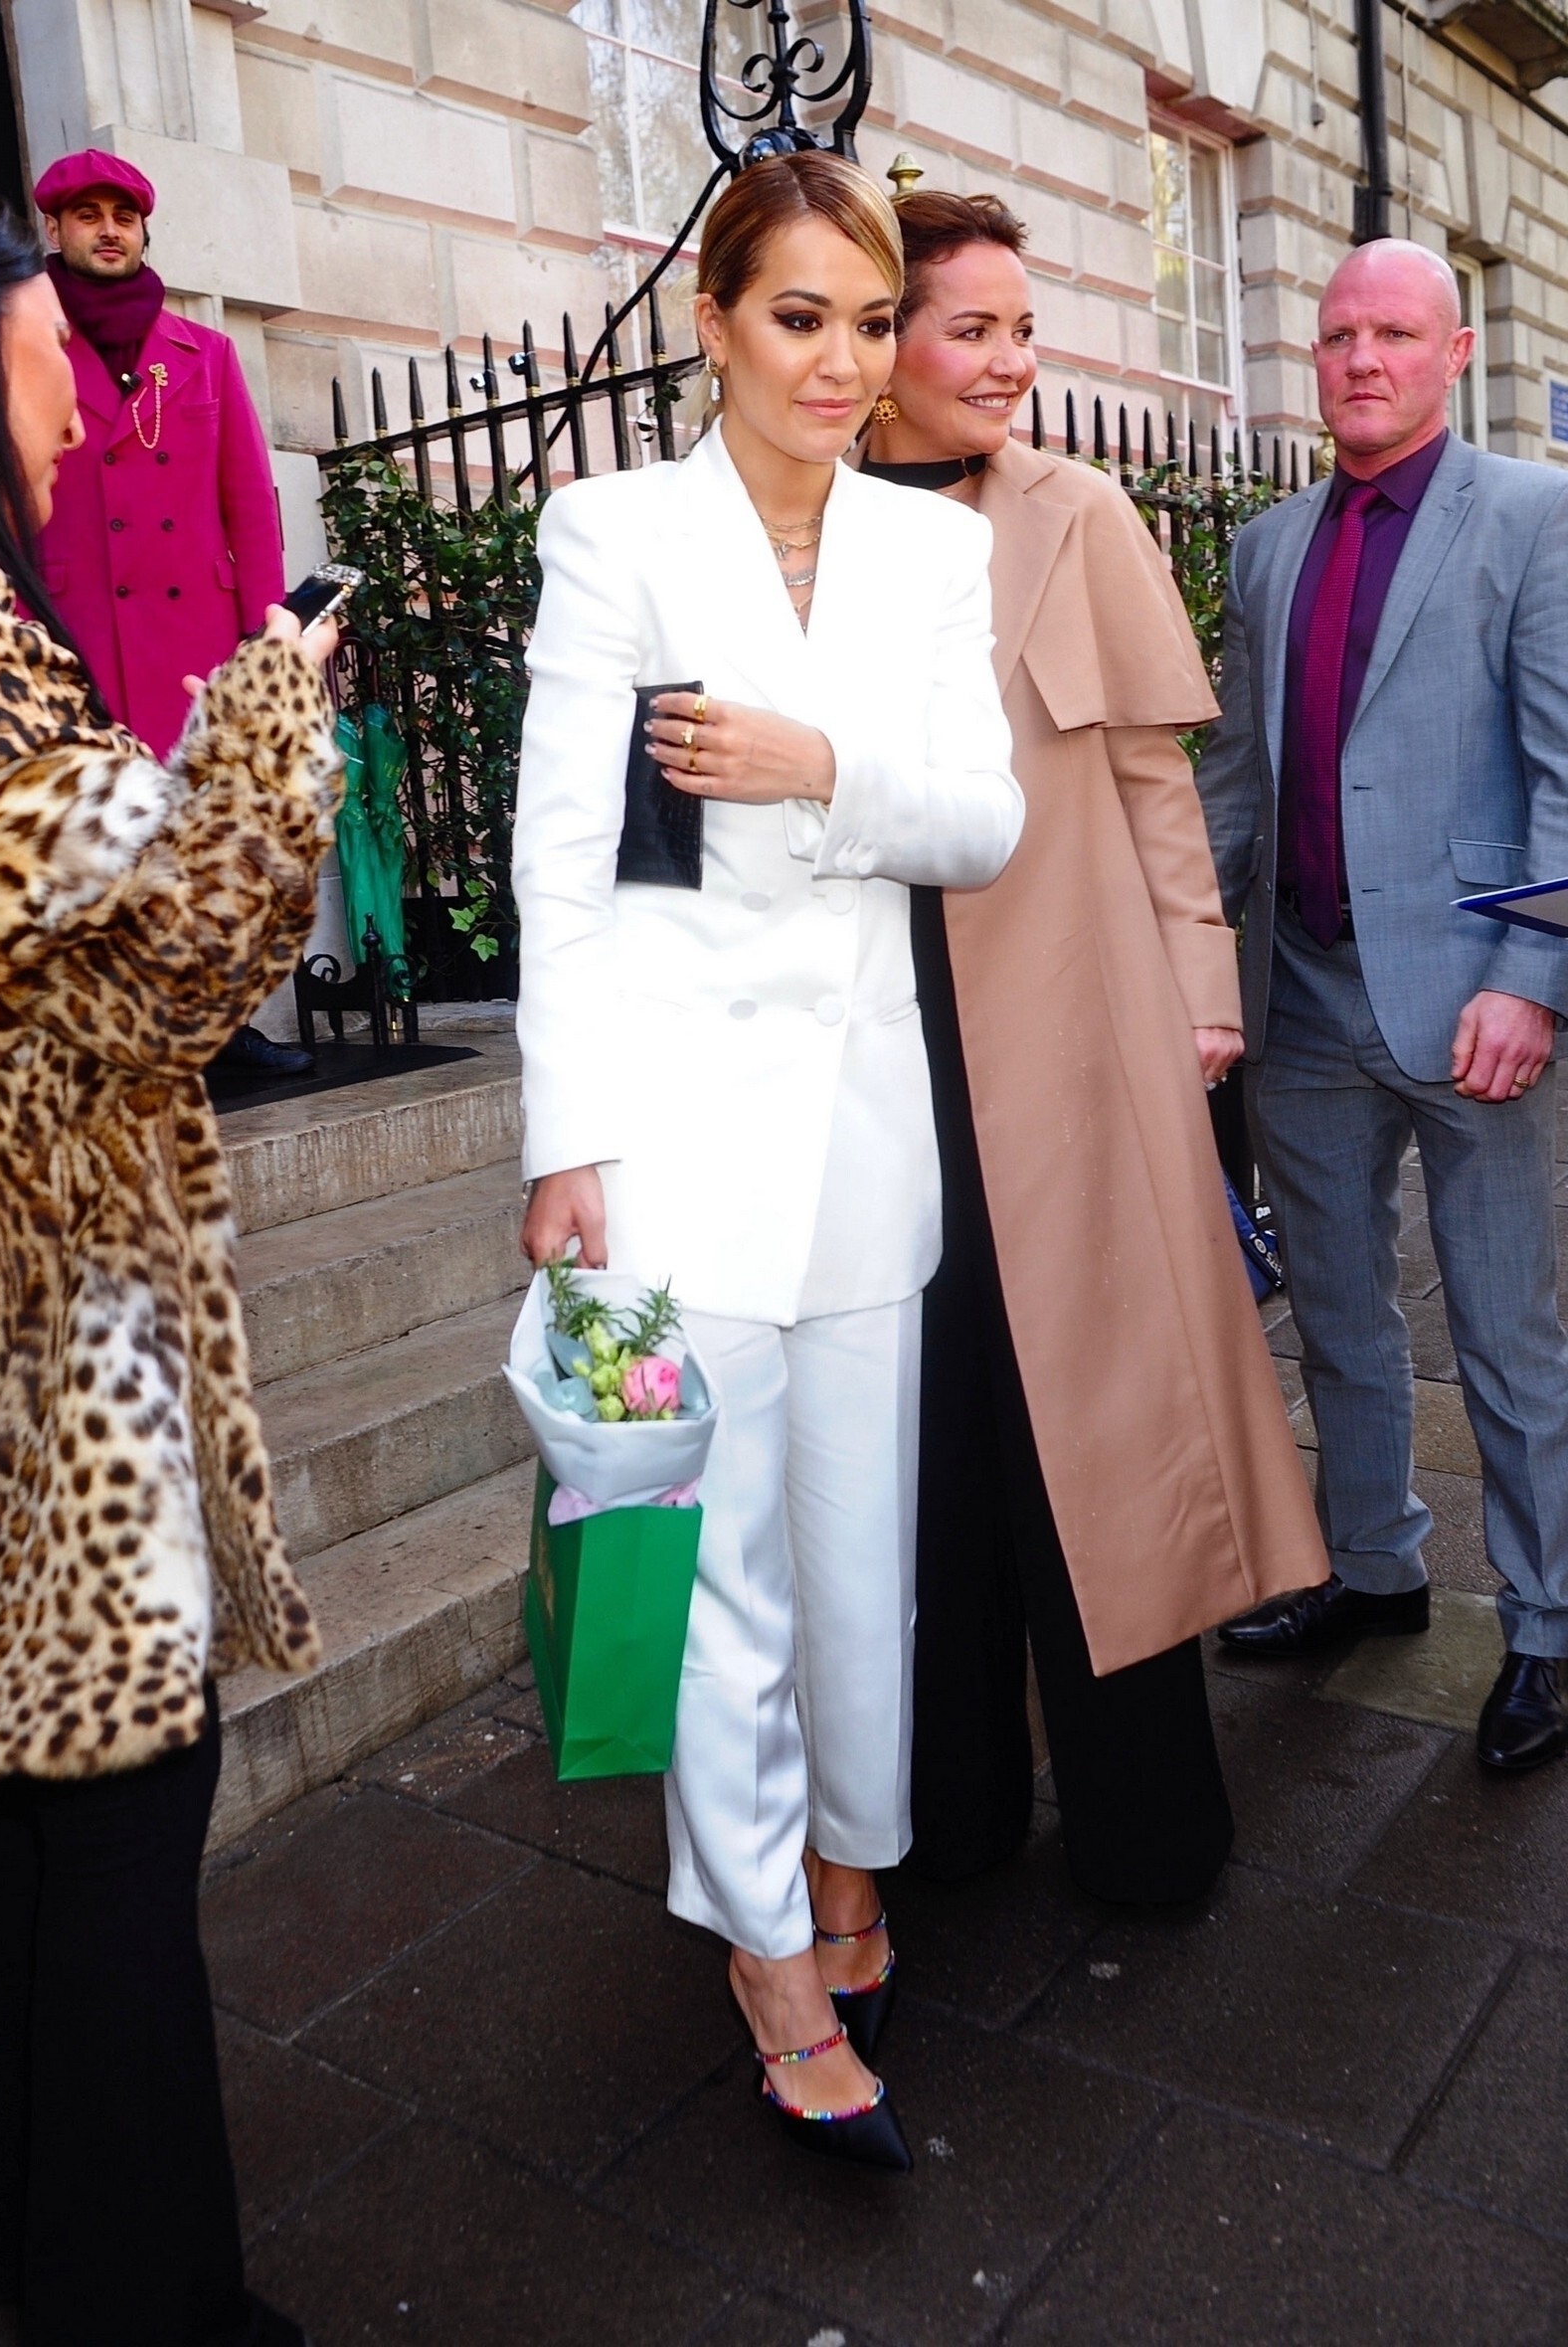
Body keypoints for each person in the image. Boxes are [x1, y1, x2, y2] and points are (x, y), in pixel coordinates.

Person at [513, 150, 1022, 2171]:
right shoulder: (612, 531)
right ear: (713, 319)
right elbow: (565, 856)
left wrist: (821, 769)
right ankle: (765, 1954)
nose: (842, 361)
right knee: (714, 1575)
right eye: (800, 316)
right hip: (671, 1139)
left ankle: (846, 1854)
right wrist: (566, 1137)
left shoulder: (932, 552)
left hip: (864, 1141)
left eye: (871, 321)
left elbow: (981, 821)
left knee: (855, 1559)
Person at [861, 189, 1328, 1900]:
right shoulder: (790, 520)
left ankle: (1147, 1827)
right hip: (875, 1045)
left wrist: (1202, 993)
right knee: (928, 1431)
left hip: (1069, 1027)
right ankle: (951, 1814)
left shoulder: (1080, 510)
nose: (1011, 363)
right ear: (882, 342)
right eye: (970, 329)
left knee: (1100, 1416)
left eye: (1023, 331)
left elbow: (1154, 783)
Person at [0, 200, 337, 2345]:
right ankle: (147, 2301)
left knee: (21, 1837)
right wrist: (276, 714)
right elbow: (171, 954)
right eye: (39, 354)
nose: (67, 404)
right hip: (43, 1349)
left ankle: (34, 2245)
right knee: (113, 1800)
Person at [1197, 239, 1568, 1774]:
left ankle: (1546, 1626)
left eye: (1395, 334)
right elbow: (1237, 776)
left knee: (1506, 1332)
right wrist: (1187, 962)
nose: (1362, 358)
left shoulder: (1535, 518)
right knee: (1340, 1316)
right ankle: (1373, 1567)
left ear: (1454, 353)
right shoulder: (1265, 547)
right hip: (1299, 993)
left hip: (1476, 1004)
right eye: (1341, 333)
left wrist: (1531, 980)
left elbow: (1565, 773)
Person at [34, 147, 310, 1077]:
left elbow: (249, 502)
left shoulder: (204, 351)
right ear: (55, 229)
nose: (107, 231)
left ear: (144, 231)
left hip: (196, 636)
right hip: (74, 633)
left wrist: (266, 634)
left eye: (123, 216)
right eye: (87, 215)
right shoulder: (20, 345)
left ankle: (222, 1031)